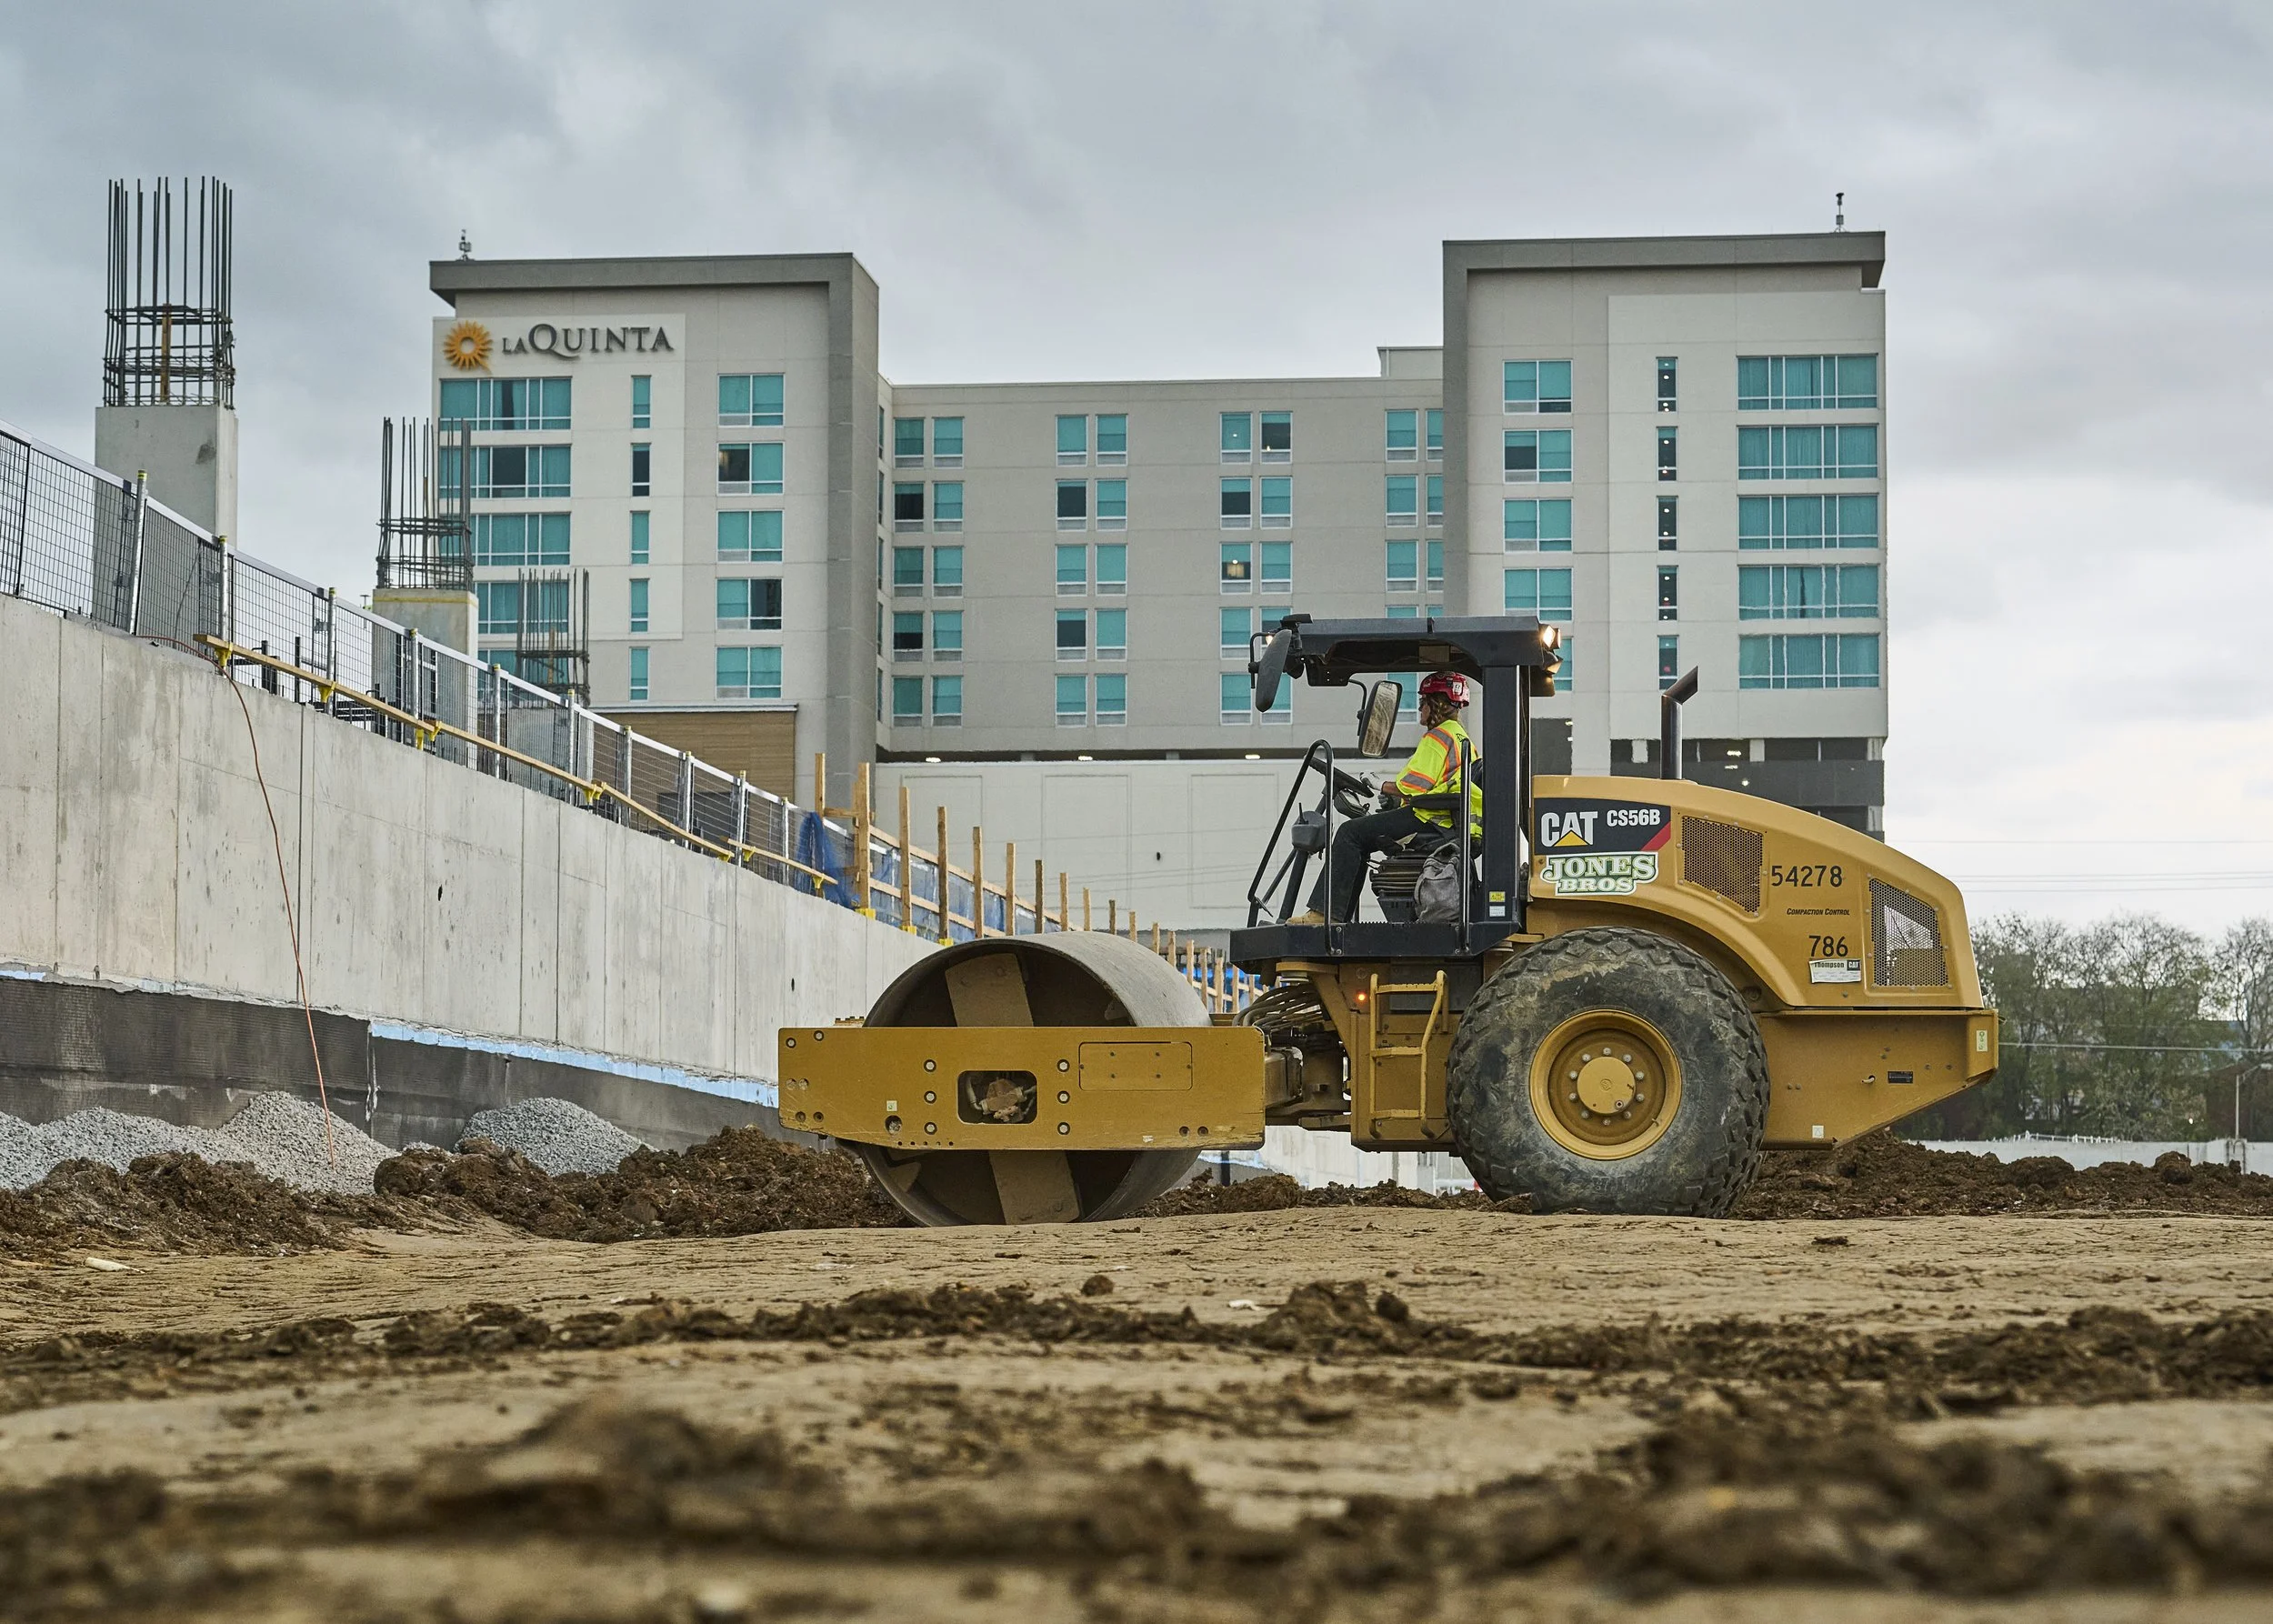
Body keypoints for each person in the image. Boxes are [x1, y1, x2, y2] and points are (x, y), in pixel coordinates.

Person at [1294, 672, 1481, 925]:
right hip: (1444, 821)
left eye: (1423, 702)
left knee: (1350, 834)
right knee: (1360, 836)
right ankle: (1337, 916)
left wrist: (1378, 783)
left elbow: (1415, 786)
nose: (1420, 709)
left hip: (1428, 820)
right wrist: (1394, 801)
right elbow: (1439, 783)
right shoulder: (1460, 737)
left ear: (1436, 704)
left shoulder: (1438, 737)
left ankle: (1326, 915)